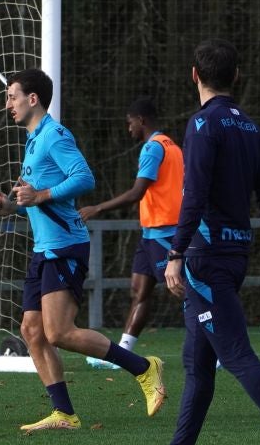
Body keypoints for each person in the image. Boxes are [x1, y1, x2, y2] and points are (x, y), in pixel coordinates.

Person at [0, 68, 166, 433]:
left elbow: (84, 177)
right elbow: (38, 198)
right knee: (32, 330)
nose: (8, 103)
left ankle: (144, 368)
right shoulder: (33, 139)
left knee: (58, 332)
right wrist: (12, 207)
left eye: (12, 96)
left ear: (32, 99)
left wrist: (40, 195)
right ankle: (64, 414)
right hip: (44, 248)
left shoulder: (54, 135)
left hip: (65, 246)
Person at [159, 39, 260, 445]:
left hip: (204, 259)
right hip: (235, 256)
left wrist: (175, 253)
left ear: (194, 75)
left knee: (236, 355)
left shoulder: (201, 125)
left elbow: (193, 194)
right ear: (237, 76)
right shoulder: (250, 127)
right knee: (197, 369)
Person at [78, 96, 183, 369]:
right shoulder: (172, 145)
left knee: (184, 289)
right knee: (139, 290)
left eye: (130, 123)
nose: (129, 130)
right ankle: (123, 355)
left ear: (141, 120)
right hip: (150, 232)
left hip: (164, 231)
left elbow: (138, 192)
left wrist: (98, 207)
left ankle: (217, 347)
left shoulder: (153, 148)